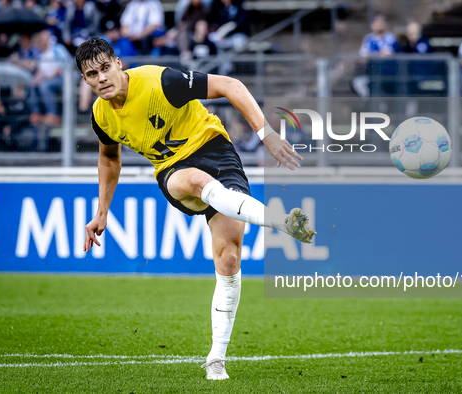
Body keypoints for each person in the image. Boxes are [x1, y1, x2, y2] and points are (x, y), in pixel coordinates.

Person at [77, 37, 316, 381]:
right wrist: (102, 211)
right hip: (174, 171)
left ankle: (216, 359)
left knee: (229, 259)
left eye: (104, 68)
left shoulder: (161, 82)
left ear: (118, 64)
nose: (100, 78)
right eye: (91, 74)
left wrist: (266, 134)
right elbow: (109, 158)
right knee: (196, 184)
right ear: (84, 81)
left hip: (216, 150)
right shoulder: (101, 116)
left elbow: (230, 84)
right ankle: (280, 221)